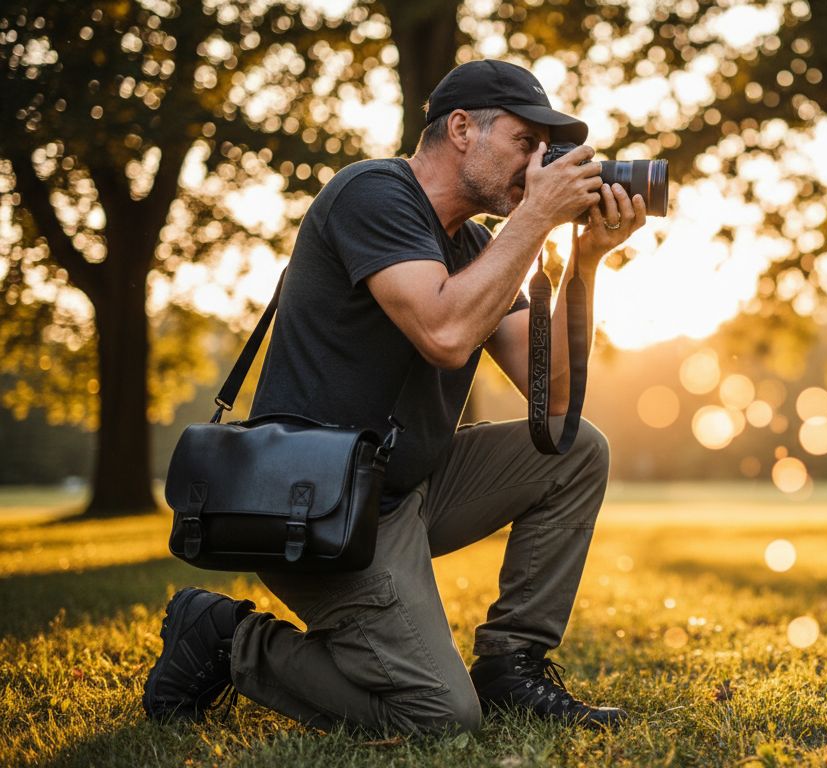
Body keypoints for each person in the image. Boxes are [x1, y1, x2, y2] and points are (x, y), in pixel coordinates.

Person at [142, 60, 646, 734]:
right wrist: (534, 221)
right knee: (440, 716)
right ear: (462, 128)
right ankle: (227, 638)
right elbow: (444, 332)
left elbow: (550, 394)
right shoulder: (372, 195)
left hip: (404, 490)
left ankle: (511, 667)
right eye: (527, 143)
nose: (538, 165)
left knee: (576, 448)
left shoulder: (476, 244)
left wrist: (585, 260)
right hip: (317, 512)